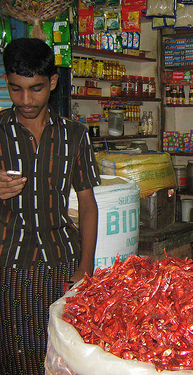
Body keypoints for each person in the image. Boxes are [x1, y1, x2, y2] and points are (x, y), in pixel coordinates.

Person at [0, 38, 101, 374]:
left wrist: (85, 266)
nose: (26, 100)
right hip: (10, 267)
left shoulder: (75, 134)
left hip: (63, 263)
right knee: (18, 358)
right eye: (16, 89)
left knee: (64, 357)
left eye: (36, 88)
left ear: (53, 82)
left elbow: (87, 204)